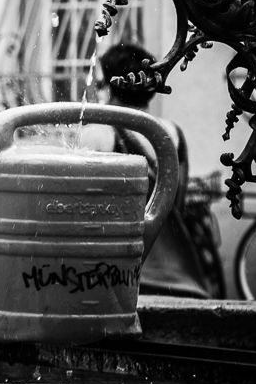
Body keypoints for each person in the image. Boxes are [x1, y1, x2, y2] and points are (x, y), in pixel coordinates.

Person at [90, 42, 217, 298]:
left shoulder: (101, 134)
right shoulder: (172, 134)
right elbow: (176, 202)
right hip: (181, 276)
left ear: (111, 87)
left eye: (100, 84)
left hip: (125, 276)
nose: (97, 91)